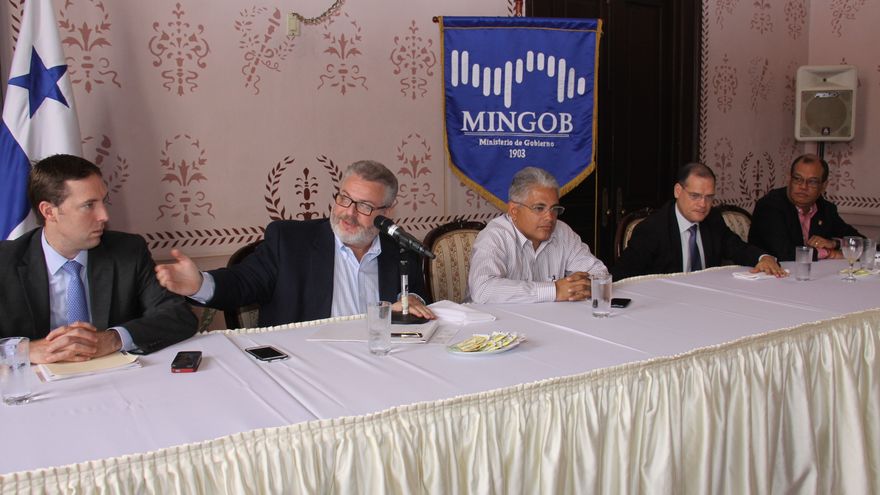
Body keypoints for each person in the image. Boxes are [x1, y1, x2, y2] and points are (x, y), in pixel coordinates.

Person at [155, 160, 433, 325]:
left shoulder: (399, 248)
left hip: (378, 368)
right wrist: (199, 284)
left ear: (387, 213)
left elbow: (415, 299)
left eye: (364, 206)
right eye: (344, 198)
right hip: (306, 368)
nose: (348, 213)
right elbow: (242, 283)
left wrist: (412, 301)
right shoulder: (290, 242)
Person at [0, 154, 197, 364]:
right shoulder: (5, 261)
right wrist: (25, 350)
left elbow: (178, 316)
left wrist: (114, 339)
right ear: (49, 212)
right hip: (36, 380)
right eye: (89, 205)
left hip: (114, 376)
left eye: (103, 201)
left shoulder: (128, 251)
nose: (104, 215)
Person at [612, 162, 786, 281]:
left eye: (709, 197)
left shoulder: (712, 219)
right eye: (695, 196)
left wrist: (764, 257)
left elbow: (737, 247)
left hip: (707, 300)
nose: (703, 204)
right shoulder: (653, 229)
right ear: (678, 191)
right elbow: (622, 276)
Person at [468, 166, 607, 304]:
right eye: (539, 208)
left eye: (554, 209)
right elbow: (482, 290)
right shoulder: (494, 236)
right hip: (496, 318)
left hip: (550, 316)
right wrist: (555, 290)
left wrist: (581, 285)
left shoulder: (562, 232)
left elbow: (600, 274)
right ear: (514, 211)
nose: (550, 217)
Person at [749, 153, 862, 261]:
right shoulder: (769, 206)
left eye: (812, 182)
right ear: (789, 179)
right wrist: (828, 253)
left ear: (823, 186)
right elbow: (783, 253)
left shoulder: (825, 208)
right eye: (798, 179)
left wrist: (834, 243)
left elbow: (861, 242)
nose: (803, 186)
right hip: (771, 272)